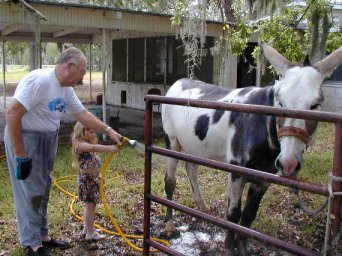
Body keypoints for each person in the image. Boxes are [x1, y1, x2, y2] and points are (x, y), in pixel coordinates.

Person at [4, 47, 122, 256]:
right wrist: (20, 153)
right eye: (83, 71)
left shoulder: (65, 89)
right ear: (69, 66)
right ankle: (32, 244)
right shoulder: (39, 81)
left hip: (49, 137)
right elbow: (13, 113)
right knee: (31, 191)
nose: (83, 77)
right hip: (28, 136)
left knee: (44, 186)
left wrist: (108, 130)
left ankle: (42, 236)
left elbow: (82, 114)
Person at [71, 122, 118, 241]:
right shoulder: (80, 144)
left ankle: (87, 229)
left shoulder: (87, 143)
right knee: (90, 207)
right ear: (81, 132)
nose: (93, 133)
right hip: (88, 182)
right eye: (90, 131)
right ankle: (90, 234)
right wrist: (109, 148)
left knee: (91, 206)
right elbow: (94, 148)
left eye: (94, 131)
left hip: (92, 180)